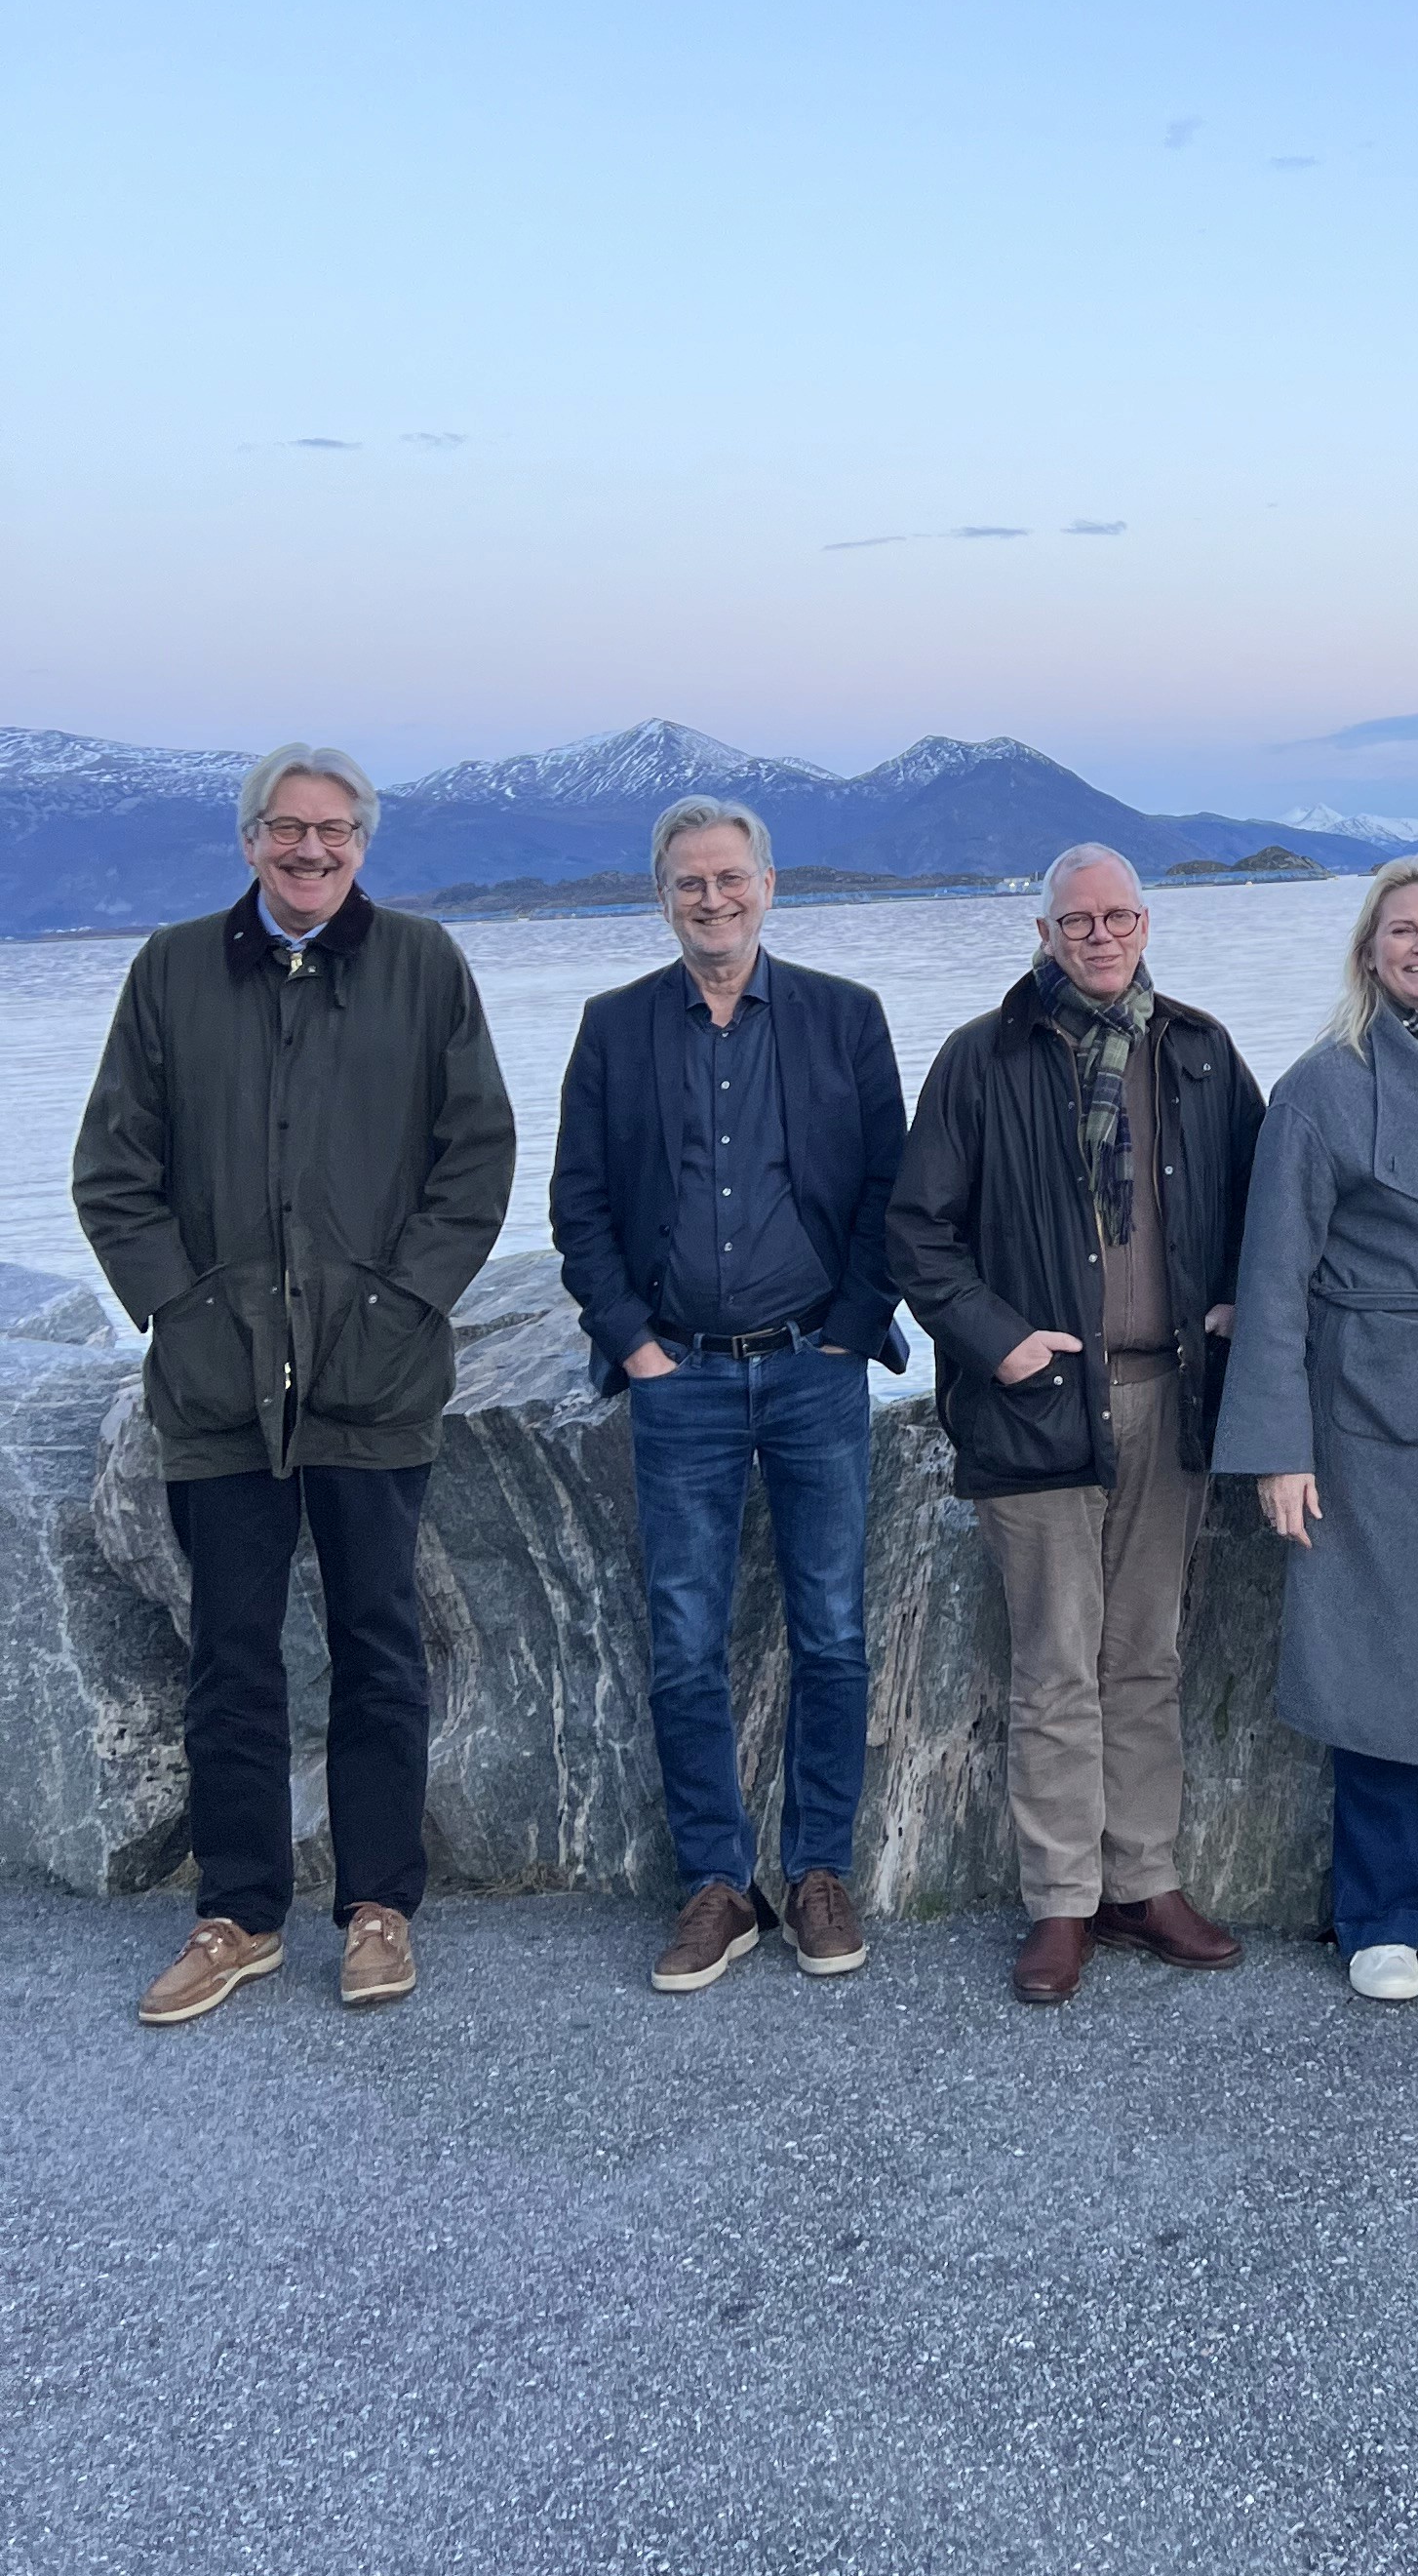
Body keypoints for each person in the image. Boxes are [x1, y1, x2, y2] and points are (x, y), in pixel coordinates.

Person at [72, 743, 516, 2025]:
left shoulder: (424, 964)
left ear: (362, 844)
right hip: (217, 1389)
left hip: (375, 1379)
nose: (310, 849)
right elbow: (114, 1169)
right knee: (231, 1656)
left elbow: (475, 1152)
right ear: (250, 841)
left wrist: (404, 1302)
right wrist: (185, 1311)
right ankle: (238, 1915)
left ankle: (379, 1908)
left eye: (333, 831)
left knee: (380, 1648)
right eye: (286, 829)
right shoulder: (170, 972)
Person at [886, 844, 1263, 2005]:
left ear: (1146, 924)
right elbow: (916, 1234)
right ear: (1041, 933)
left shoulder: (1198, 1052)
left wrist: (1245, 1293)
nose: (1100, 936)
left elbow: (1270, 1201)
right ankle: (1060, 1902)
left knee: (1144, 1656)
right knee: (1055, 1666)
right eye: (1077, 921)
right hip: (1036, 1404)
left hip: (1169, 1395)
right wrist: (997, 1338)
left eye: (1119, 917)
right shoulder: (979, 1059)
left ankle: (1142, 1882)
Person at [549, 796, 909, 1993]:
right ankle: (717, 1881)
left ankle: (816, 1872)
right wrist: (635, 1347)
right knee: (687, 1641)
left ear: (769, 884)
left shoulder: (843, 1019)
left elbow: (888, 1194)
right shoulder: (613, 1029)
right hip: (681, 1377)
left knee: (834, 1630)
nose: (713, 899)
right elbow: (581, 1206)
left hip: (813, 1369)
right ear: (662, 897)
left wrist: (850, 1338)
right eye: (689, 883)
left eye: (731, 878)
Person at [1211, 858, 1418, 2005]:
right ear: (1368, 951)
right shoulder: (1324, 1085)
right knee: (1373, 1659)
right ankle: (1380, 1909)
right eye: (1400, 931)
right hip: (1369, 1406)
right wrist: (1277, 1449)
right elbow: (1272, 1279)